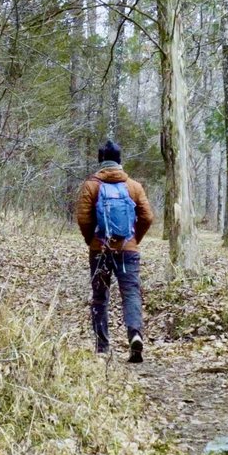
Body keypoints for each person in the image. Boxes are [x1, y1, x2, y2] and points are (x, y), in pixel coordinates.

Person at [72, 140, 154, 362]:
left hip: (100, 249)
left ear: (100, 161)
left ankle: (101, 347)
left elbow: (83, 218)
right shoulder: (134, 186)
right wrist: (134, 238)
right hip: (128, 250)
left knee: (100, 297)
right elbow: (147, 217)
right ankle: (135, 335)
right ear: (119, 161)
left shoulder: (91, 185)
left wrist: (92, 240)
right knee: (131, 294)